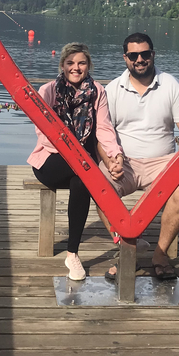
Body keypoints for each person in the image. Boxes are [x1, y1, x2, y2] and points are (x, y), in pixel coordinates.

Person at [101, 32, 179, 280]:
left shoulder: (171, 85)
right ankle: (126, 249)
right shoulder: (112, 90)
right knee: (97, 187)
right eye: (134, 55)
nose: (140, 59)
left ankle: (160, 254)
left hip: (164, 162)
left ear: (153, 55)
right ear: (125, 58)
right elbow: (101, 134)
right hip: (125, 163)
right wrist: (110, 161)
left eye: (145, 54)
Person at [27, 42, 125, 281]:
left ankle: (72, 254)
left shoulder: (97, 92)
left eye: (81, 63)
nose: (76, 68)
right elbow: (44, 133)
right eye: (70, 63)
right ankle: (122, 231)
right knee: (86, 173)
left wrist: (115, 155)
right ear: (62, 65)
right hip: (50, 160)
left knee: (82, 181)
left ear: (88, 65)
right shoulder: (48, 91)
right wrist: (74, 154)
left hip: (82, 165)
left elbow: (103, 128)